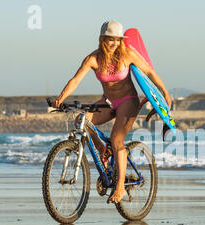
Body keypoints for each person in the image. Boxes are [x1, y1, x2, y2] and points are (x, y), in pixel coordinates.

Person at [52, 21, 171, 203]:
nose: (114, 43)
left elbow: (149, 72)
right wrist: (60, 98)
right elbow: (75, 80)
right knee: (81, 121)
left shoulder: (128, 54)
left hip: (128, 101)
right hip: (107, 102)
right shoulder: (93, 59)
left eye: (117, 39)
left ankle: (120, 187)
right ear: (102, 39)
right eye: (110, 39)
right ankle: (103, 150)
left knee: (117, 140)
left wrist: (164, 92)